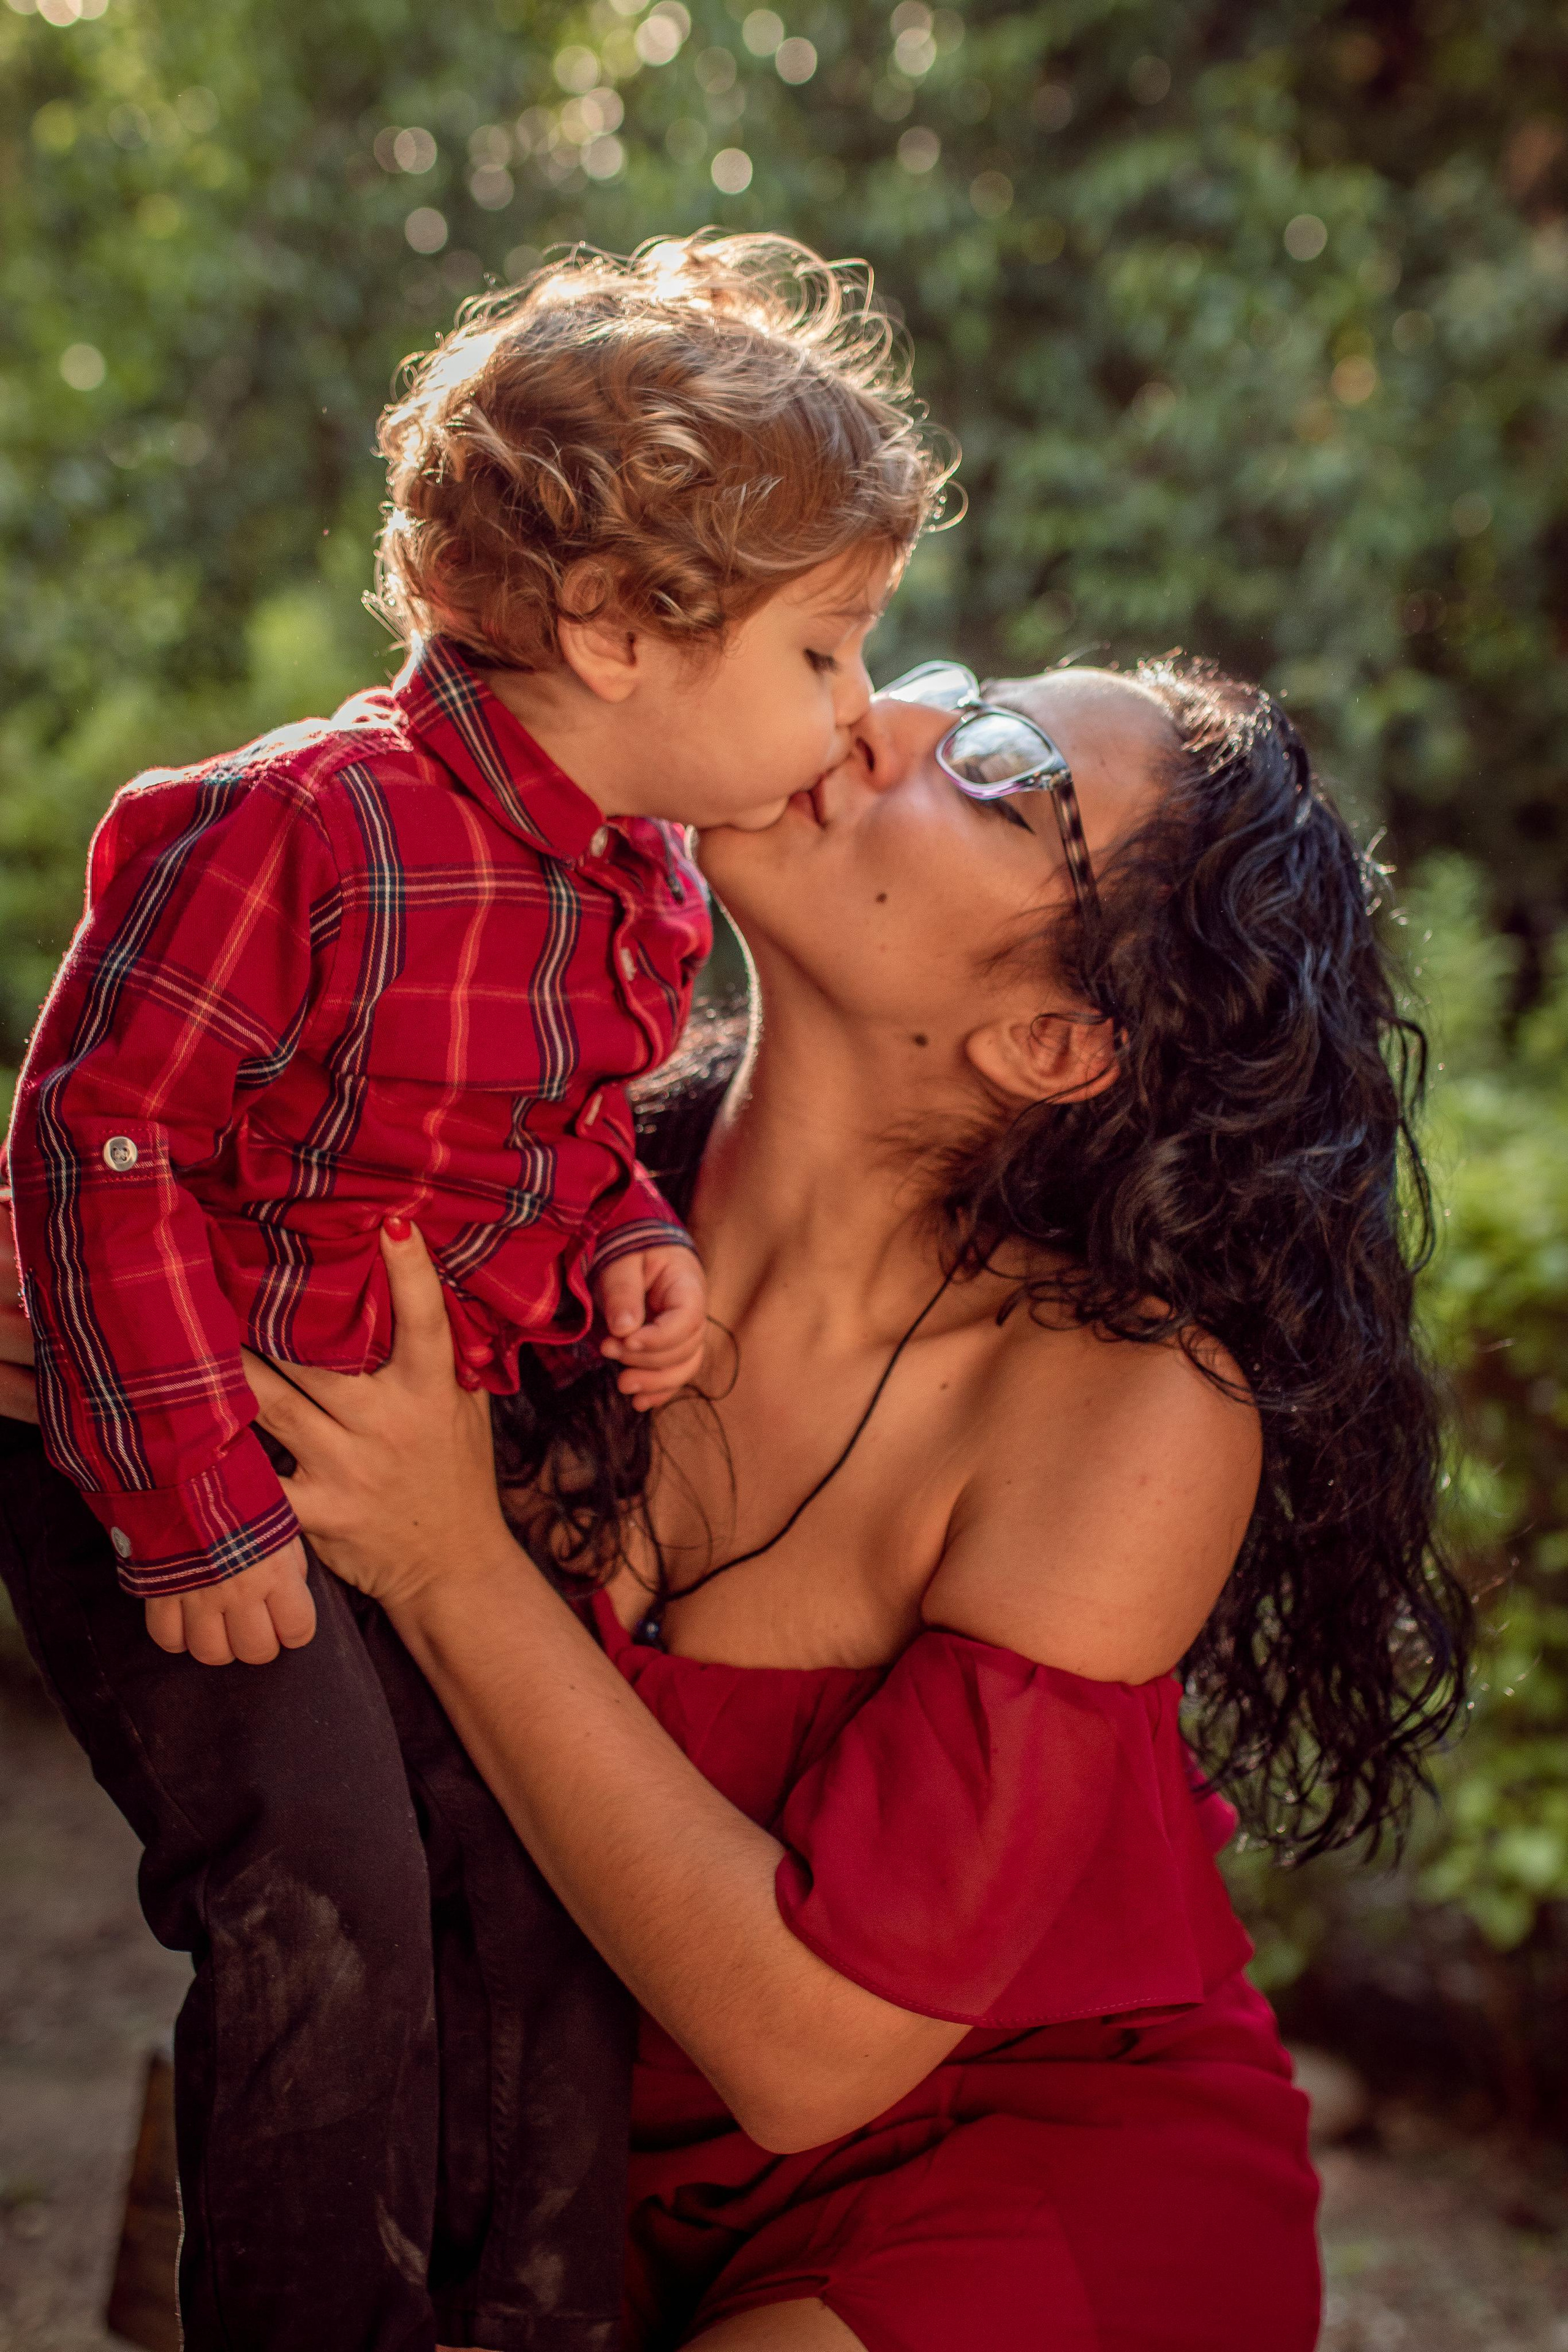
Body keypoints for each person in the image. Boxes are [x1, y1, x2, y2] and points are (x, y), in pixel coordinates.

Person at [194, 654, 1466, 2350]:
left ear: (1053, 1037)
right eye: (949, 678)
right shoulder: (520, 1191)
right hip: (536, 2154)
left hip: (1012, 2164)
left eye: (998, 769)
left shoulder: (1127, 1400)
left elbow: (810, 2054)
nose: (882, 713)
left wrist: (449, 1562)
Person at [0, 234, 948, 2351]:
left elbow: (550, 1130)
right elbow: (96, 1143)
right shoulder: (289, 827)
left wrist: (625, 1240)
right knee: (325, 1897)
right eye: (825, 653)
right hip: (193, 1479)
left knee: (523, 1904)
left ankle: (532, 2323)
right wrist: (197, 1505)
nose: (855, 711)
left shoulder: (633, 883)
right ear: (617, 632)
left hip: (395, 1479)